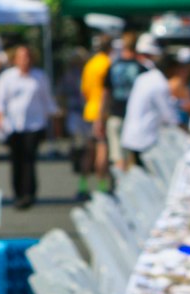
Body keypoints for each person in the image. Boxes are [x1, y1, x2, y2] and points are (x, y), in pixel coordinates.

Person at [0, 43, 56, 210]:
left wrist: (52, 121)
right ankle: (18, 193)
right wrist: (0, 122)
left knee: (29, 159)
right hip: (13, 125)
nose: (24, 60)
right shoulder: (7, 77)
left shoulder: (39, 76)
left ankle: (29, 193)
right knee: (16, 160)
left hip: (34, 124)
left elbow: (47, 100)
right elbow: (0, 103)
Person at [120, 43, 175, 164]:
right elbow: (170, 117)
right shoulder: (160, 84)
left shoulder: (144, 77)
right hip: (144, 139)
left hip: (131, 134)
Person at [101, 31, 143, 172]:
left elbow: (105, 94)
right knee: (131, 159)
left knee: (118, 157)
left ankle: (120, 186)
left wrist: (100, 117)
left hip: (115, 114)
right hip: (134, 118)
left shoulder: (113, 66)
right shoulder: (141, 68)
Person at [80, 32, 111, 191]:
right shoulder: (108, 64)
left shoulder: (90, 64)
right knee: (102, 148)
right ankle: (101, 184)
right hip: (102, 112)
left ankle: (83, 183)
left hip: (89, 110)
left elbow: (84, 90)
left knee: (88, 150)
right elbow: (107, 91)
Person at [58, 45, 89, 200]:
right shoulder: (71, 76)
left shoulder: (84, 74)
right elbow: (62, 95)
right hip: (78, 115)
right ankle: (83, 182)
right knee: (82, 149)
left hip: (83, 115)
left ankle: (84, 182)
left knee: (83, 149)